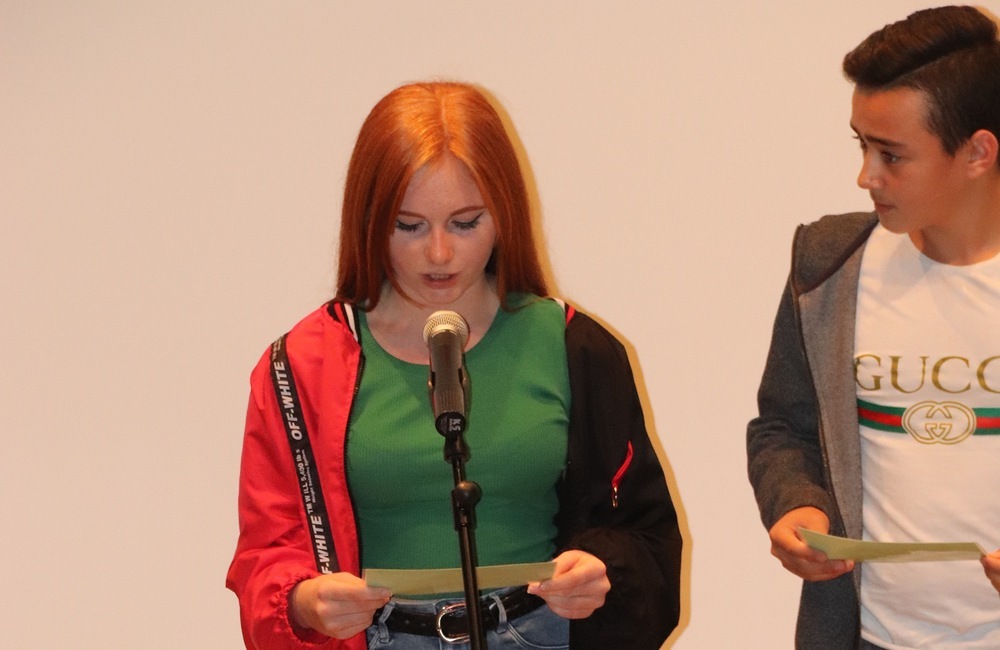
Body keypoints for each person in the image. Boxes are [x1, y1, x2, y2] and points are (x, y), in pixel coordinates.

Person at [226, 81, 682, 650]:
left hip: (543, 634)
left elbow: (644, 530)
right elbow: (266, 553)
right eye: (408, 225)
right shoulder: (301, 365)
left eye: (465, 222)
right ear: (367, 219)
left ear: (505, 214)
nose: (439, 253)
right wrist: (302, 602)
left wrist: (601, 572)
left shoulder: (575, 348)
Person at [746, 5, 1000, 649]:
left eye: (892, 155)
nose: (866, 176)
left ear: (978, 152)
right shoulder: (829, 266)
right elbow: (783, 426)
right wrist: (797, 503)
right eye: (861, 145)